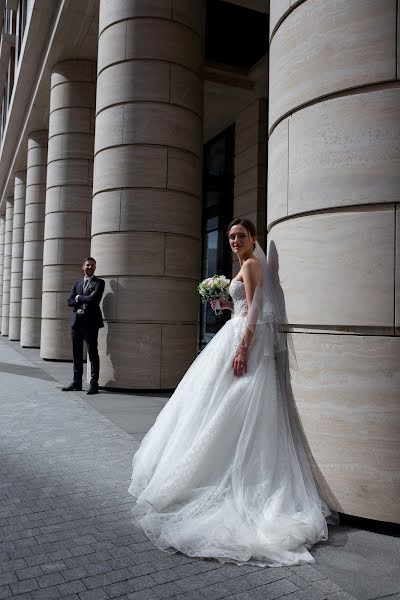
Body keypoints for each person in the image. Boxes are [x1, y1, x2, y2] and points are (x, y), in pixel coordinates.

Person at [128, 219, 333, 567]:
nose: (235, 241)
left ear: (254, 238)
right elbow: (242, 306)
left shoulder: (252, 264)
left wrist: (243, 347)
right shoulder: (243, 266)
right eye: (231, 237)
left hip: (242, 340)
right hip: (235, 331)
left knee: (230, 403)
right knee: (215, 403)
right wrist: (225, 306)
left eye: (241, 236)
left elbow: (255, 309)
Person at [61, 257, 105, 395]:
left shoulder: (99, 283)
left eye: (92, 265)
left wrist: (78, 298)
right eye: (87, 265)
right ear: (83, 267)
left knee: (92, 354)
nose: (89, 267)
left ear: (95, 267)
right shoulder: (78, 283)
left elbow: (94, 299)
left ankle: (94, 384)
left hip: (91, 324)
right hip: (76, 323)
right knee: (77, 354)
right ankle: (77, 382)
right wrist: (81, 299)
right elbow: (69, 301)